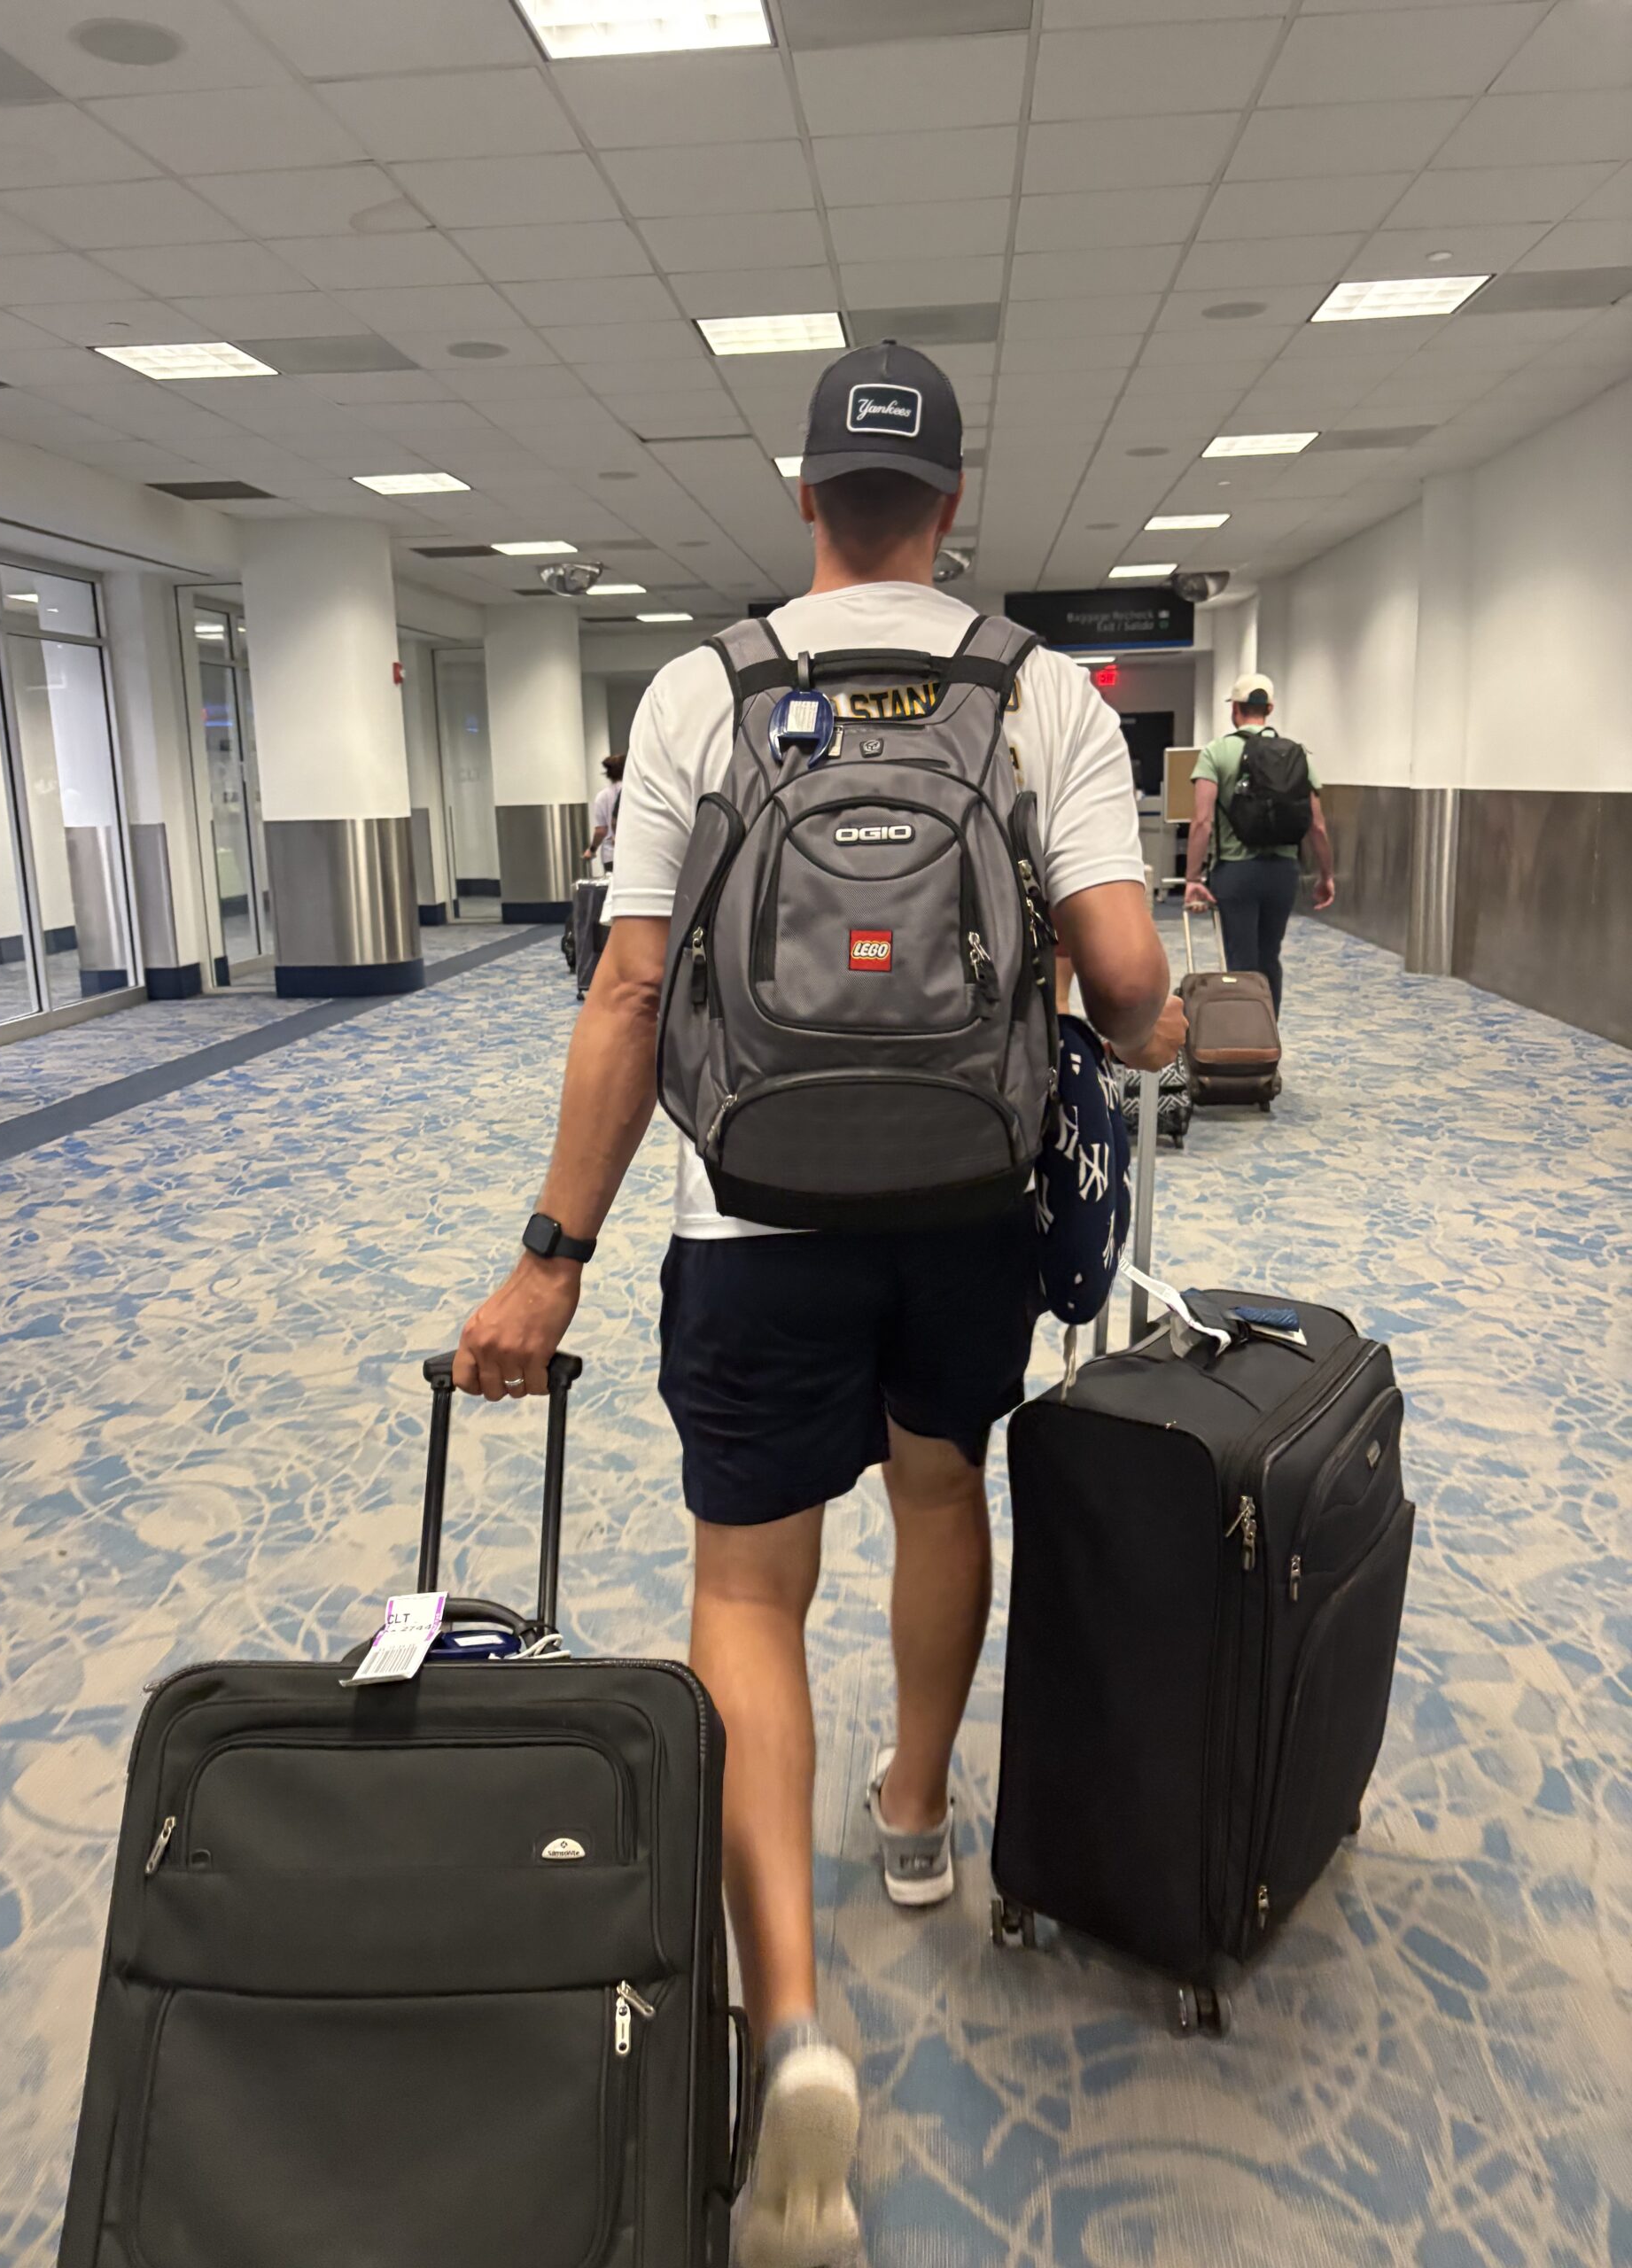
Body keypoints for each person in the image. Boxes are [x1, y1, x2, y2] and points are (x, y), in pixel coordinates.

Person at [454, 340, 1179, 2268]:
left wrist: (551, 1251)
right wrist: (1135, 1011)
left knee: (747, 1586)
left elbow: (622, 994)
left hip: (746, 1211)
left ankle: (788, 2012)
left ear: (802, 501)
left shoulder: (706, 684)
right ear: (954, 503)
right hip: (967, 1210)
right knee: (944, 1492)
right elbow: (1121, 979)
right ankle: (924, 1814)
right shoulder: (1044, 695)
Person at [1184, 673, 1333, 1016]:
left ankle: (1243, 1044)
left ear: (1234, 709)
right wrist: (1326, 875)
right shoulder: (1297, 755)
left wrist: (1192, 878)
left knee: (1241, 962)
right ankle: (1268, 1039)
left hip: (1235, 872)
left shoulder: (1216, 752)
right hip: (1283, 872)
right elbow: (1318, 826)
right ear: (1269, 708)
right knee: (1270, 959)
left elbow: (1202, 822)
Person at [586, 750, 625, 872]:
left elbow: (601, 831)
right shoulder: (633, 792)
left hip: (610, 855)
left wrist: (592, 850)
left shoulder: (602, 796)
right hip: (632, 853)